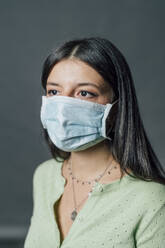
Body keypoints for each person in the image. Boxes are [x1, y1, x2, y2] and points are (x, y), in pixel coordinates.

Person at [24, 37, 165, 248]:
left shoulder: (152, 199)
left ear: (116, 106)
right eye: (54, 91)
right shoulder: (44, 176)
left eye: (84, 93)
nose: (63, 109)